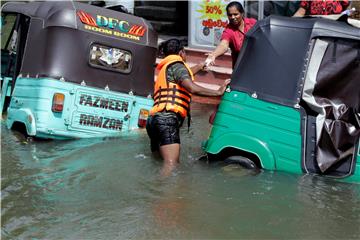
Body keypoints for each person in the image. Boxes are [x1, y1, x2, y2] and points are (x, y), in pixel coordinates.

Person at [146, 39, 230, 176]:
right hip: (167, 121)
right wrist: (218, 92)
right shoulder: (178, 65)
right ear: (181, 52)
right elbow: (191, 87)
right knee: (171, 165)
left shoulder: (166, 66)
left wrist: (200, 66)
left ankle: (152, 190)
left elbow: (184, 74)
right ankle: (163, 196)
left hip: (154, 121)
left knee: (158, 163)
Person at [205, 1, 257, 68]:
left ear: (242, 13)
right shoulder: (229, 31)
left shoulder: (252, 23)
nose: (232, 17)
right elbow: (223, 45)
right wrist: (214, 54)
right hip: (240, 69)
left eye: (235, 14)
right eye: (230, 15)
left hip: (256, 64)